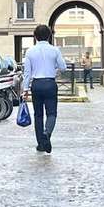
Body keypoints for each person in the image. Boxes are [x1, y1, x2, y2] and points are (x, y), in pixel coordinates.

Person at [22, 24, 67, 153]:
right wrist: (55, 71)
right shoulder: (55, 50)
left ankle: (41, 144)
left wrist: (25, 89)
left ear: (35, 36)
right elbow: (63, 67)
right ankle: (47, 133)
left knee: (38, 115)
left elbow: (27, 73)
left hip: (36, 84)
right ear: (49, 36)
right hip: (50, 83)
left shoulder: (30, 51)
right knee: (52, 113)